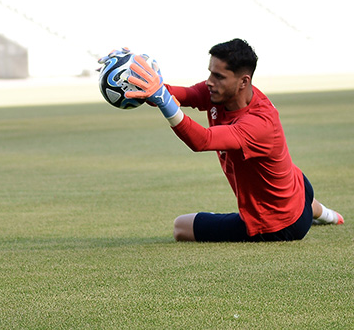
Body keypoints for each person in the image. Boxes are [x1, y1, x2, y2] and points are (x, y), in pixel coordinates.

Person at [108, 39, 344, 242]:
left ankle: (315, 213)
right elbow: (168, 95)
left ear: (243, 81)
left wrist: (162, 98)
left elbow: (202, 140)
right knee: (295, 194)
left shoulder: (259, 123)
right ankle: (328, 215)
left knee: (181, 227)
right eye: (210, 72)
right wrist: (128, 74)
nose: (210, 81)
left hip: (278, 225)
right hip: (298, 188)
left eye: (219, 76)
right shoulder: (220, 93)